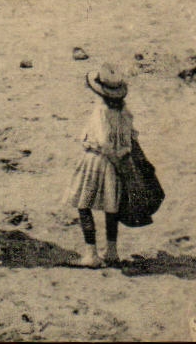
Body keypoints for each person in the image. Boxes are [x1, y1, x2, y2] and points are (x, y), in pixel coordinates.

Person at [64, 65, 135, 268]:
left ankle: (91, 254)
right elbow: (131, 138)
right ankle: (111, 250)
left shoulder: (100, 111)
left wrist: (110, 156)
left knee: (83, 205)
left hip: (96, 162)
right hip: (117, 163)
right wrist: (121, 161)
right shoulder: (125, 112)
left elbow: (103, 142)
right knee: (111, 207)